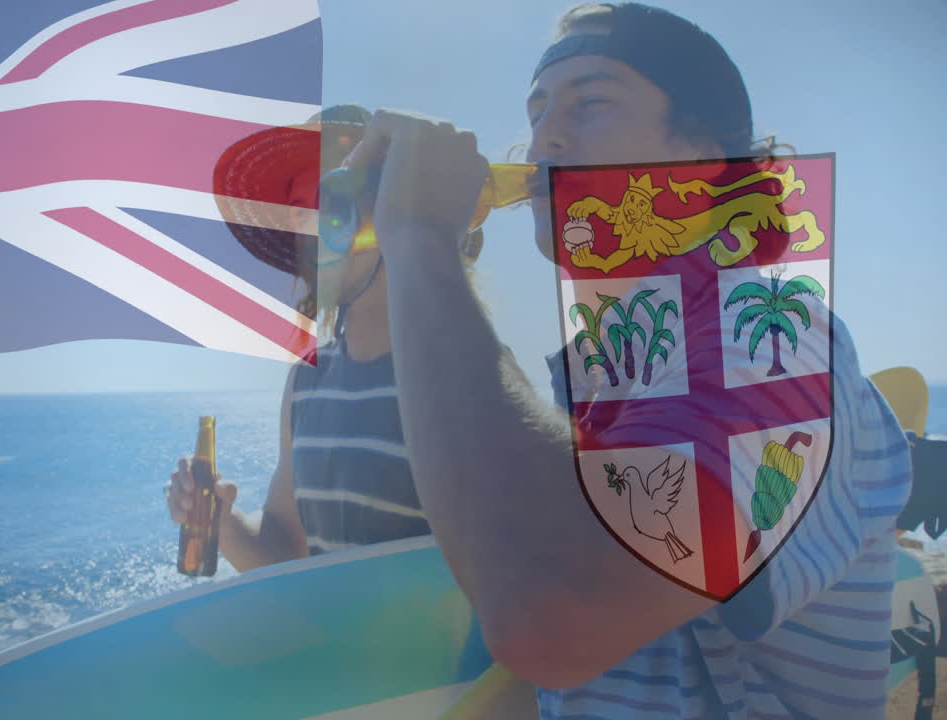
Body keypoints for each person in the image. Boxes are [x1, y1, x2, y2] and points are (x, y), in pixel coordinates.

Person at [341, 3, 913, 718]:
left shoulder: (778, 341)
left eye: (591, 102)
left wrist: (421, 238)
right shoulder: (620, 371)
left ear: (704, 159)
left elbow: (554, 616)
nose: (543, 134)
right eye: (538, 109)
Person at [165, 105, 490, 569]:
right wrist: (222, 520)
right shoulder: (307, 383)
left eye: (329, 203)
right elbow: (284, 548)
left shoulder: (466, 368)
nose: (310, 231)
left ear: (391, 208)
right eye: (298, 214)